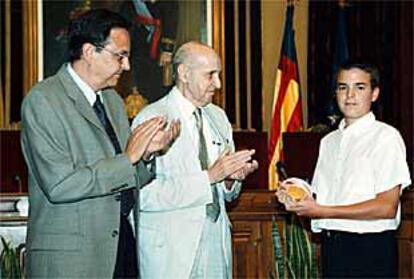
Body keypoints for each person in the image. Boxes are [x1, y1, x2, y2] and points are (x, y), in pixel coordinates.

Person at [20, 9, 179, 278]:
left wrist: (148, 155)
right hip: (71, 260)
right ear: (89, 52)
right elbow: (60, 185)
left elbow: (127, 179)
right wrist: (129, 158)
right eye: (120, 56)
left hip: (120, 250)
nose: (127, 66)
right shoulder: (44, 100)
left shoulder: (113, 102)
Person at [132, 41, 259, 279]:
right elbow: (143, 196)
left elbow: (225, 193)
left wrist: (231, 179)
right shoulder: (152, 118)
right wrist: (210, 176)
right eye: (210, 75)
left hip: (215, 242)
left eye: (219, 75)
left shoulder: (218, 117)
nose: (218, 84)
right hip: (172, 248)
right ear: (183, 73)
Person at [277, 60, 411, 278]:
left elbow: (386, 206)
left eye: (359, 87)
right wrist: (295, 193)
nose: (350, 95)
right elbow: (323, 196)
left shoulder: (385, 137)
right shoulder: (329, 141)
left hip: (369, 249)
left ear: (374, 94)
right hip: (332, 247)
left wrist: (323, 211)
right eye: (342, 87)